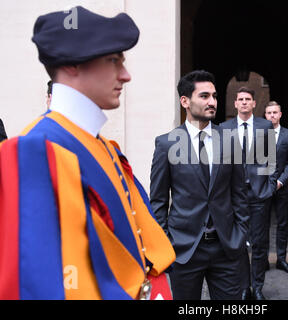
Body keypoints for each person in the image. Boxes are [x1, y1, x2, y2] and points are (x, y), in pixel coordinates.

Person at [0, 6, 175, 300]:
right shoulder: (32, 152)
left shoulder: (104, 146)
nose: (126, 74)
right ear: (72, 65)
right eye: (113, 60)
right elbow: (41, 285)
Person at [150, 70, 249, 300]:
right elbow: (158, 200)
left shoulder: (230, 141)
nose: (212, 102)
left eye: (214, 96)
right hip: (184, 249)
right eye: (204, 96)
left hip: (226, 247)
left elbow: (240, 194)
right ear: (185, 101)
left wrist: (239, 235)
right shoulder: (167, 144)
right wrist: (168, 243)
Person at [220, 87, 278, 300]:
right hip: (234, 197)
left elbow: (270, 161)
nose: (244, 102)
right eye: (240, 99)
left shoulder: (265, 126)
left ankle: (258, 287)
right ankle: (244, 287)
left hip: (259, 194)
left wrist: (268, 185)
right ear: (235, 104)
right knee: (238, 243)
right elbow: (223, 163)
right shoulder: (224, 128)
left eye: (248, 99)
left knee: (260, 243)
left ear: (254, 104)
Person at [264, 101, 288, 275]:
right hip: (263, 188)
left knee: (282, 224)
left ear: (280, 114)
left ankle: (281, 260)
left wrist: (280, 181)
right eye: (269, 112)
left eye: (275, 112)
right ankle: (262, 259)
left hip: (283, 188)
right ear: (265, 115)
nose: (272, 115)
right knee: (262, 225)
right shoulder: (259, 135)